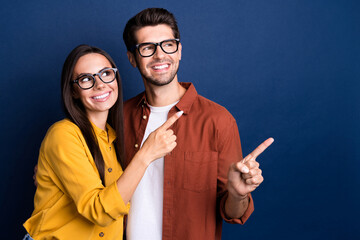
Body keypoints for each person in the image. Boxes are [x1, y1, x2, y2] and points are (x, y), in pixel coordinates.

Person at [122, 8, 274, 240]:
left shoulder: (218, 120)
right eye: (147, 48)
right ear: (132, 58)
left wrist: (237, 195)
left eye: (168, 44)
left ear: (179, 50)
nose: (160, 55)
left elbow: (232, 212)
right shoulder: (118, 118)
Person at [23, 44, 183, 240]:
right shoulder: (63, 134)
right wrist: (147, 153)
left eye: (106, 73)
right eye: (86, 79)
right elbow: (99, 211)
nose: (99, 84)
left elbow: (120, 196)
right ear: (73, 91)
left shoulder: (113, 136)